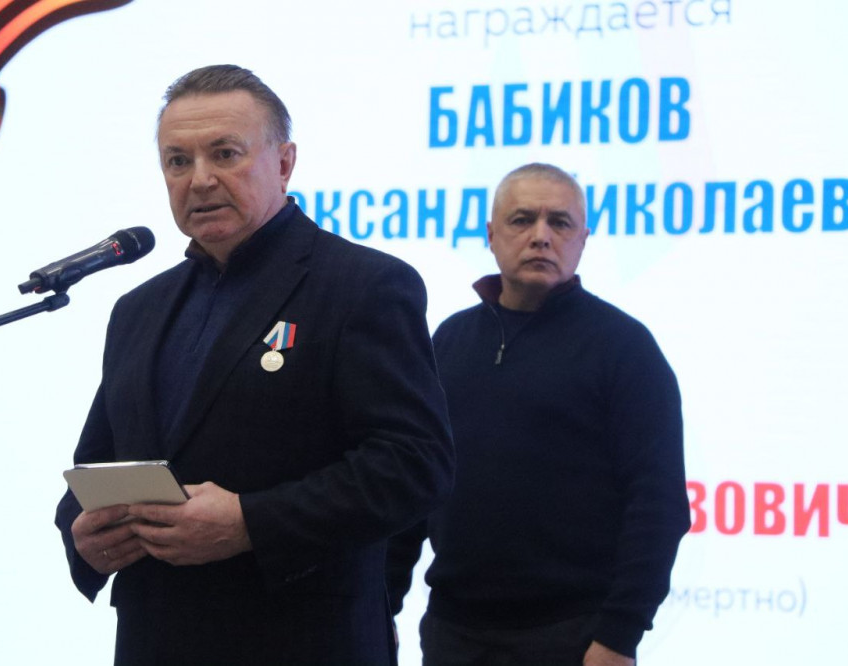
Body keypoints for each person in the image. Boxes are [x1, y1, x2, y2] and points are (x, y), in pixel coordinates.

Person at [54, 64, 454, 665]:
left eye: (225, 154)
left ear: (284, 163)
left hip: (301, 640)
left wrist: (250, 522)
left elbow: (414, 465)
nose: (200, 179)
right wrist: (81, 532)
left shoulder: (362, 286)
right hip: (156, 639)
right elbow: (102, 463)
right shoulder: (138, 309)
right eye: (178, 161)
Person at [386, 163, 690, 666]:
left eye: (560, 223)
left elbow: (658, 504)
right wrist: (381, 607)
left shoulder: (624, 348)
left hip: (574, 636)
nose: (541, 236)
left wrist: (620, 636)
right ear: (490, 235)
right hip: (453, 632)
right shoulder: (449, 341)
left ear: (584, 239)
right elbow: (413, 485)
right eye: (522, 219)